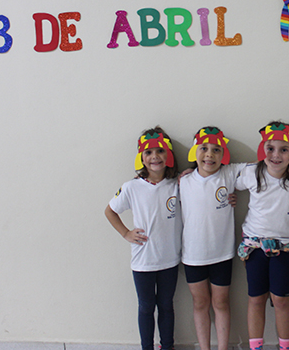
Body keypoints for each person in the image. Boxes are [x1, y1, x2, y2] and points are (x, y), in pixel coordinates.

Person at [236, 121, 289, 350]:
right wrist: (191, 172)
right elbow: (223, 178)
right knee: (256, 298)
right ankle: (256, 347)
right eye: (270, 148)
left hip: (286, 247)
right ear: (262, 149)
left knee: (281, 299)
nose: (276, 155)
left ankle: (285, 347)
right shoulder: (251, 173)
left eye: (284, 150)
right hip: (255, 247)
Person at [105, 127, 182, 350]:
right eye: (148, 152)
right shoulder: (131, 187)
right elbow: (110, 211)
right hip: (143, 261)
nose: (155, 157)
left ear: (169, 154)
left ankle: (167, 346)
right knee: (146, 307)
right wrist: (126, 233)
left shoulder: (178, 185)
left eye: (160, 151)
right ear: (141, 157)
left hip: (169, 259)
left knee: (166, 305)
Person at [178, 126, 246, 350]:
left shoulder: (229, 173)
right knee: (200, 303)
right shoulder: (183, 181)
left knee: (221, 302)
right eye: (204, 149)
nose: (209, 154)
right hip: (193, 255)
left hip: (222, 254)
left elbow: (263, 168)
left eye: (216, 149)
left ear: (224, 154)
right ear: (194, 152)